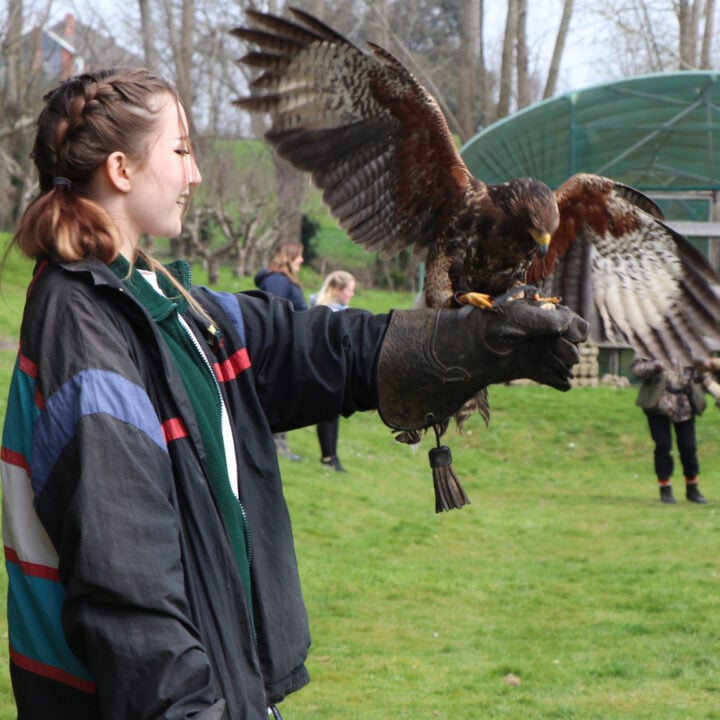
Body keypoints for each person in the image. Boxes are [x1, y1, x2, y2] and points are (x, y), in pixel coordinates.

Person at [0, 67, 587, 719]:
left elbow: (310, 347)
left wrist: (474, 345)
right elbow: (131, 601)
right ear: (121, 169)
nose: (194, 176)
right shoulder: (83, 331)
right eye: (181, 150)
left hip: (228, 687)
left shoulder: (167, 303)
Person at [632, 355, 720, 503]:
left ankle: (692, 489)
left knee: (688, 447)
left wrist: (717, 393)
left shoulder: (688, 350)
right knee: (663, 447)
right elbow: (637, 370)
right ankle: (665, 489)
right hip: (657, 408)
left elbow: (703, 377)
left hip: (685, 408)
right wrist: (655, 365)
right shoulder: (648, 346)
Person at [254, 242, 307, 461]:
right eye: (299, 256)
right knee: (275, 396)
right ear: (289, 257)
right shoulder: (278, 281)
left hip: (284, 346)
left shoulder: (282, 279)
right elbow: (273, 314)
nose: (302, 260)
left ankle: (277, 446)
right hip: (278, 348)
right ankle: (273, 447)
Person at [310, 270, 356, 472]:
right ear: (338, 290)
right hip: (327, 366)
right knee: (329, 412)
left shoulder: (317, 305)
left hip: (324, 365)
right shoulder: (333, 312)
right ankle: (329, 457)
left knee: (329, 412)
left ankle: (330, 455)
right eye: (349, 290)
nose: (351, 294)